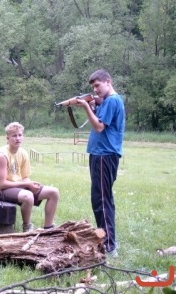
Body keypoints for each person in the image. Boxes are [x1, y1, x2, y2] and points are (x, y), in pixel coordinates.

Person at [75, 69, 125, 258]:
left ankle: (110, 245)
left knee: (102, 200)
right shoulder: (105, 102)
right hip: (98, 154)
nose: (96, 90)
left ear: (108, 82)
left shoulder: (112, 100)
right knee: (98, 199)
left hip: (105, 155)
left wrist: (86, 107)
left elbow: (98, 126)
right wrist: (93, 105)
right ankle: (104, 239)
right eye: (93, 87)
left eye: (98, 85)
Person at [0, 122, 59, 232]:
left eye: (20, 135)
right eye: (14, 136)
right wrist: (26, 185)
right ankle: (27, 227)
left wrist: (30, 185)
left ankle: (48, 228)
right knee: (28, 196)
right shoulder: (1, 155)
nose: (17, 138)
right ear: (7, 138)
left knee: (53, 192)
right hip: (1, 190)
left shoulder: (23, 153)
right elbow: (2, 184)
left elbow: (25, 177)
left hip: (18, 187)